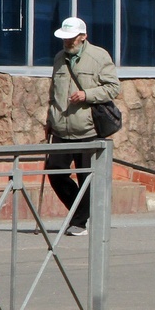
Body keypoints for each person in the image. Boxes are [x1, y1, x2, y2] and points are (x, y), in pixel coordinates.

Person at [45, 17, 120, 237]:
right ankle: (80, 212)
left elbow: (113, 88)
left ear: (83, 36)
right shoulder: (59, 58)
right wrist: (49, 120)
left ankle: (79, 222)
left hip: (87, 129)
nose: (67, 42)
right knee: (55, 172)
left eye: (71, 38)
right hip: (61, 128)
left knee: (87, 178)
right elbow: (54, 93)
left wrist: (87, 95)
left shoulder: (99, 56)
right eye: (65, 38)